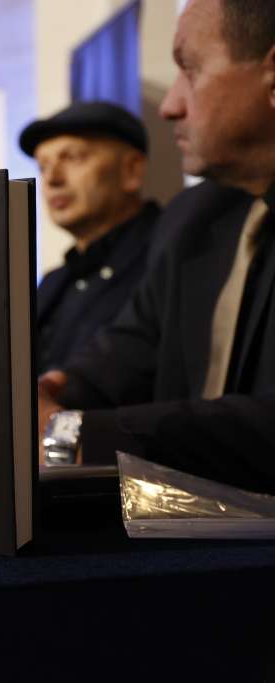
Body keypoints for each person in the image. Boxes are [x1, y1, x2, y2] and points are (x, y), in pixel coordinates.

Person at [38, 0, 275, 495]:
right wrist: (53, 391)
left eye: (190, 69)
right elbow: (134, 344)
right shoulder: (192, 215)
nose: (169, 106)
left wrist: (78, 433)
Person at [20, 101, 160, 374]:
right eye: (43, 166)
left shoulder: (167, 254)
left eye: (73, 158)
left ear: (131, 170)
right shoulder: (52, 282)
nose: (52, 179)